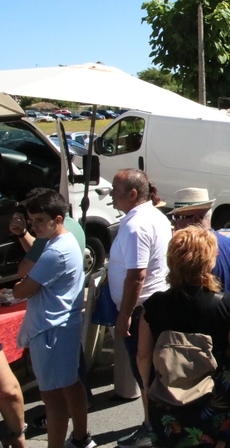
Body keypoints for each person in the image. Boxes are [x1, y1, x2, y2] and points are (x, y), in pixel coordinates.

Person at [136, 226, 230, 448]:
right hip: (215, 402)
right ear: (208, 262)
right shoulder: (227, 306)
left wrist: (147, 386)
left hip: (168, 400)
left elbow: (143, 356)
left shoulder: (152, 307)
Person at [13, 190, 93, 448]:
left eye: (38, 221)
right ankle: (81, 437)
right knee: (70, 385)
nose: (33, 226)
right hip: (62, 327)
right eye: (31, 220)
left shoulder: (55, 250)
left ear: (57, 219)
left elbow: (21, 290)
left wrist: (19, 285)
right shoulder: (65, 238)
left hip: (51, 331)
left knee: (53, 399)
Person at [109, 169, 172, 448]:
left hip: (141, 312)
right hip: (152, 308)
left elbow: (137, 275)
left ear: (133, 194)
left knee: (145, 374)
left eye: (115, 189)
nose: (111, 194)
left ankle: (154, 428)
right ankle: (159, 424)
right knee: (153, 373)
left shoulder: (136, 225)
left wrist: (124, 316)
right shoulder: (154, 216)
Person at [169, 187, 230, 325]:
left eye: (178, 218)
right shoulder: (228, 243)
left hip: (213, 326)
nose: (174, 224)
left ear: (197, 219)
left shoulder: (194, 253)